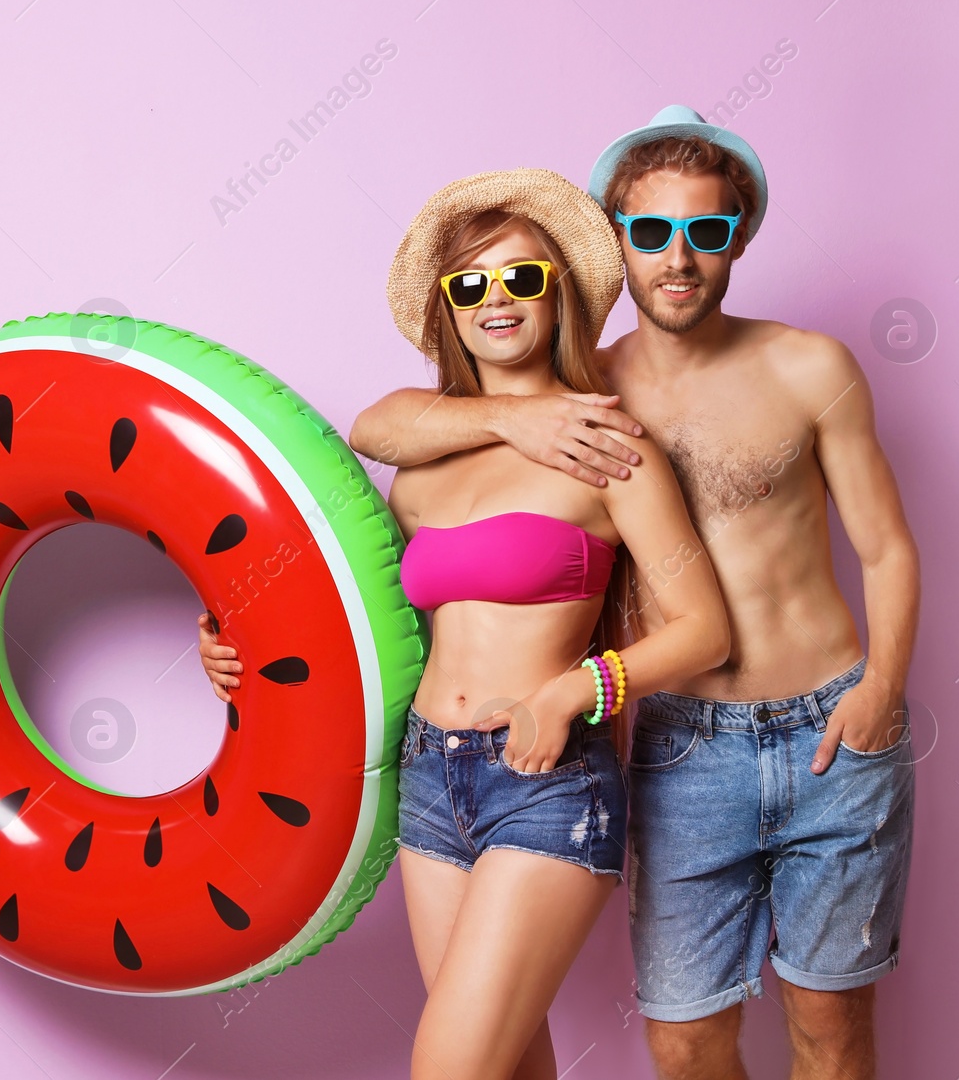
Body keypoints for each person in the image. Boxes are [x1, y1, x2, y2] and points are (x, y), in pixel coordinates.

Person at [344, 107, 920, 1080]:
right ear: (618, 239)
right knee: (657, 1049)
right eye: (652, 231)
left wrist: (879, 696)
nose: (678, 256)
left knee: (827, 1029)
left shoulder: (714, 395)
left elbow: (863, 554)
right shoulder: (506, 428)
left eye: (705, 230)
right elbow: (377, 437)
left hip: (763, 738)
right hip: (571, 757)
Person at [200, 167, 730, 1080]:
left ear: (556, 293)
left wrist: (573, 692)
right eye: (472, 284)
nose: (498, 300)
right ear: (449, 308)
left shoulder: (608, 446)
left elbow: (704, 628)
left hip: (546, 780)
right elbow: (378, 601)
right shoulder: (422, 472)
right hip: (429, 781)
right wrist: (239, 643)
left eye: (523, 278)